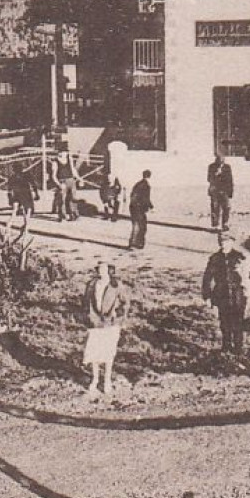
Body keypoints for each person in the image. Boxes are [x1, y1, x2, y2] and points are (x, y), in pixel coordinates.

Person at [81, 261, 128, 397]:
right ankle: (95, 379)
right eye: (99, 269)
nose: (101, 271)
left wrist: (117, 316)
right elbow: (85, 302)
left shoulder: (116, 285)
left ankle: (107, 381)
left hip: (110, 325)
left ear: (109, 271)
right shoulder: (92, 285)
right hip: (95, 323)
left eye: (104, 269)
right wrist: (88, 316)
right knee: (94, 353)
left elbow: (125, 303)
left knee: (108, 353)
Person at [202, 231, 250, 351]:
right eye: (222, 241)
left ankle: (238, 347)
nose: (224, 244)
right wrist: (207, 296)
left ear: (232, 242)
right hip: (221, 293)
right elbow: (207, 278)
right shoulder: (215, 258)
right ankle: (226, 346)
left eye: (226, 241)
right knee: (224, 321)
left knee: (238, 321)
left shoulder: (240, 257)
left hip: (238, 294)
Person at [208, 155, 235, 231]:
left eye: (222, 160)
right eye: (218, 160)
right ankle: (215, 225)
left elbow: (230, 179)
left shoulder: (227, 167)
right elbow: (209, 178)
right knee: (215, 208)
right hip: (215, 190)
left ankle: (225, 224)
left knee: (227, 207)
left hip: (224, 191)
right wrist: (215, 174)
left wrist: (230, 192)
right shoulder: (211, 167)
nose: (220, 162)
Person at [128, 170, 153, 250]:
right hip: (138, 208)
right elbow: (145, 198)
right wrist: (150, 206)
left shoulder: (138, 184)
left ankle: (135, 243)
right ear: (149, 176)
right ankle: (136, 244)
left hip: (134, 207)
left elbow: (133, 195)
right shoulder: (145, 185)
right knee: (140, 225)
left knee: (137, 225)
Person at [53, 151, 79, 222]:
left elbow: (73, 170)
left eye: (65, 152)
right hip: (62, 181)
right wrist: (59, 184)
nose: (63, 153)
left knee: (73, 198)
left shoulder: (69, 158)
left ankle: (73, 214)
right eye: (61, 152)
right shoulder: (55, 162)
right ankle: (62, 216)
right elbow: (54, 176)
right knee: (62, 200)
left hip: (71, 180)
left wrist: (78, 178)